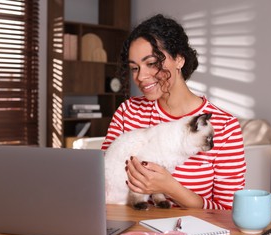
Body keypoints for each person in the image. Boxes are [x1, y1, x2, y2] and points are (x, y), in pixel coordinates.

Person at [101, 14, 246, 210]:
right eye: (134, 68)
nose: (141, 77)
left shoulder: (225, 127)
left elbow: (228, 211)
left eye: (151, 63)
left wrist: (171, 188)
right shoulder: (128, 112)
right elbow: (101, 181)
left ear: (179, 59)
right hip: (129, 234)